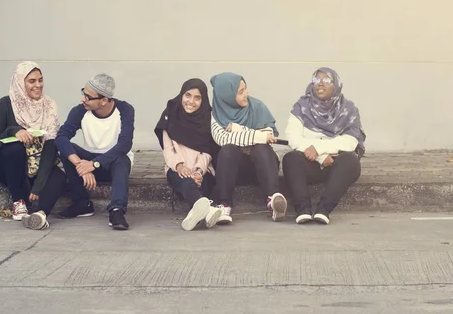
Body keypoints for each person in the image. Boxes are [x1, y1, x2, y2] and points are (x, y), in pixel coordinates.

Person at [0, 61, 66, 230]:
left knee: (59, 176)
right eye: (32, 81)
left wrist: (39, 186)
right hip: (9, 167)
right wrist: (14, 131)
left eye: (40, 80)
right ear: (20, 83)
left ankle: (40, 214)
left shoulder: (49, 106)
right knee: (14, 147)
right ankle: (19, 201)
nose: (38, 85)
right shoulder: (6, 104)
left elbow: (51, 147)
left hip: (37, 166)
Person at [283, 67, 366, 225]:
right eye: (316, 80)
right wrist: (320, 156)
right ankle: (303, 210)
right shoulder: (301, 107)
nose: (320, 84)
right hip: (310, 162)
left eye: (326, 80)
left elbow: (350, 140)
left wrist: (319, 148)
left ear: (336, 85)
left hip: (336, 164)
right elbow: (293, 138)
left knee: (351, 160)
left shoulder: (348, 109)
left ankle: (324, 210)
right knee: (290, 159)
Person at [55, 74, 135, 231]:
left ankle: (116, 211)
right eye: (83, 93)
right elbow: (61, 137)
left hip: (113, 164)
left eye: (88, 96)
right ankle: (82, 204)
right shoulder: (80, 111)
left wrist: (94, 164)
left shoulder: (125, 110)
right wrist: (80, 164)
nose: (82, 99)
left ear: (104, 100)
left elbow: (124, 144)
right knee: (67, 149)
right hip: (88, 160)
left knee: (121, 159)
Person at [210, 72, 287, 224]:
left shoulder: (257, 106)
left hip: (264, 167)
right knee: (228, 149)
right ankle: (224, 205)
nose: (247, 93)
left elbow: (269, 134)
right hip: (235, 170)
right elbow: (223, 138)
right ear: (227, 96)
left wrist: (239, 129)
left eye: (245, 88)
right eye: (241, 92)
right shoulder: (216, 114)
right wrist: (258, 136)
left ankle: (273, 201)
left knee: (261, 148)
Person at [155, 78, 222, 231]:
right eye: (188, 95)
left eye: (197, 98)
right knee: (187, 183)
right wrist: (179, 166)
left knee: (204, 185)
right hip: (177, 169)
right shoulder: (170, 113)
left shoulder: (208, 118)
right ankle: (208, 211)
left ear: (203, 100)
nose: (191, 101)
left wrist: (198, 170)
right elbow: (168, 150)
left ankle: (196, 213)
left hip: (203, 170)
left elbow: (208, 151)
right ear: (181, 95)